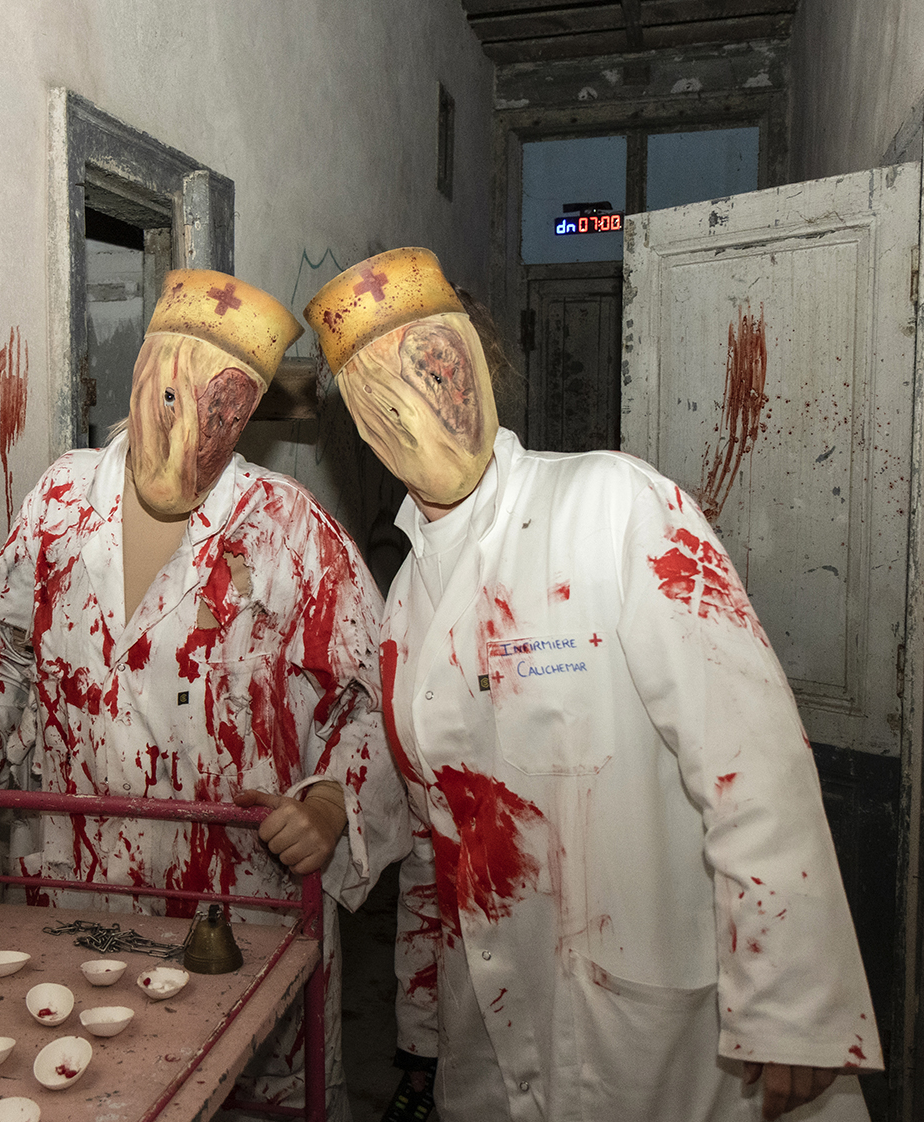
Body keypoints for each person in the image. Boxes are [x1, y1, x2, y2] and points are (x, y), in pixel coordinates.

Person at [304, 248, 882, 1122]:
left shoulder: (613, 505)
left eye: (437, 368)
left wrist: (794, 999)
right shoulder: (404, 610)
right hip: (488, 1031)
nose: (419, 403)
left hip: (658, 1031)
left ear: (480, 365)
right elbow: (435, 843)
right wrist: (420, 1031)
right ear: (359, 422)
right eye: (382, 392)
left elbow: (748, 749)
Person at [0, 269, 408, 1120]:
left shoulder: (289, 528)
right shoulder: (58, 501)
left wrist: (331, 803)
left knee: (234, 1088)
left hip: (234, 895)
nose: (190, 429)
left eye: (224, 411)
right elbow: (9, 658)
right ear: (141, 373)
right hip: (74, 883)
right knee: (78, 1083)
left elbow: (367, 702)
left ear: (246, 417)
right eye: (173, 394)